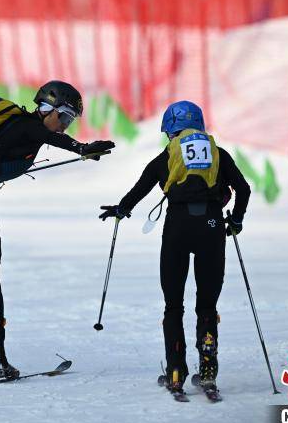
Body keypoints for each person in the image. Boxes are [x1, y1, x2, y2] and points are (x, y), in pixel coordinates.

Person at [0, 80, 115, 380]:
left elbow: (41, 138)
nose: (65, 126)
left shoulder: (17, 126)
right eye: (65, 117)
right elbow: (48, 137)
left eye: (70, 121)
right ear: (48, 109)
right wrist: (82, 148)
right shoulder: (28, 126)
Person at [98, 100, 250, 395]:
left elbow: (141, 187)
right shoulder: (219, 154)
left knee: (173, 305)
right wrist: (236, 221)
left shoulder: (168, 155)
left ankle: (176, 371)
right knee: (206, 305)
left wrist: (121, 210)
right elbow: (243, 189)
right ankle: (208, 366)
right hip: (211, 226)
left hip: (178, 228)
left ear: (171, 129)